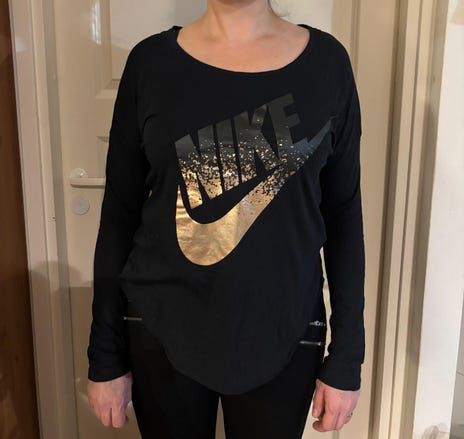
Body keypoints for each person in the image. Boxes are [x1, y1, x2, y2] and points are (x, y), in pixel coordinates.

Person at [86, 0, 366, 437]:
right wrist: (104, 355)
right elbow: (119, 214)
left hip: (286, 332)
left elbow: (344, 215)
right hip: (160, 328)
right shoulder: (150, 64)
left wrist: (347, 357)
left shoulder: (327, 65)